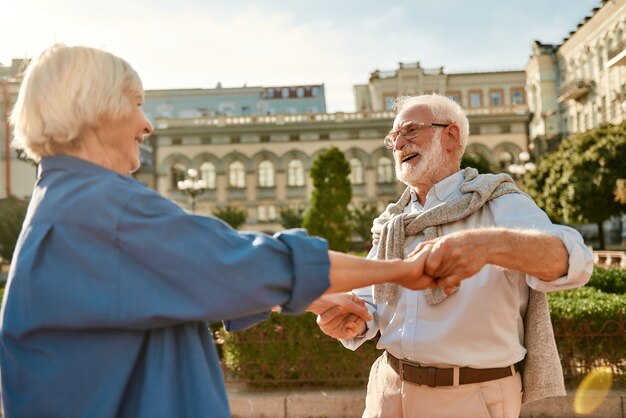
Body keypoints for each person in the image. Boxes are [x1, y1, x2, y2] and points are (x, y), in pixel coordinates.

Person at [0, 44, 437, 418]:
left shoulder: (66, 201)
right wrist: (402, 271)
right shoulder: (102, 206)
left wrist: (312, 297)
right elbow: (252, 262)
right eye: (135, 102)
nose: (146, 124)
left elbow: (186, 282)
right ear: (93, 108)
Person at [316, 94, 593, 418]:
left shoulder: (496, 201)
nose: (398, 144)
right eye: (393, 137)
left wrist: (487, 244)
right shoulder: (392, 222)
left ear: (451, 135)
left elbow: (575, 261)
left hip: (469, 398)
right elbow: (371, 306)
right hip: (387, 390)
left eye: (411, 131)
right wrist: (350, 320)